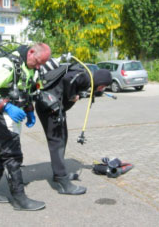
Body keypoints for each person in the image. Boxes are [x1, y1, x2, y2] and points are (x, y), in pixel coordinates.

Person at [0, 43, 51, 211]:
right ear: (31, 52)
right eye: (38, 62)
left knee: (1, 153)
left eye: (42, 64)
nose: (39, 66)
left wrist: (30, 110)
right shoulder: (6, 64)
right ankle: (19, 199)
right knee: (12, 156)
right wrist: (5, 106)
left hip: (11, 118)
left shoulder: (28, 67)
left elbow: (23, 90)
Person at [35, 59, 112, 195]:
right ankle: (62, 181)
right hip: (49, 107)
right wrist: (72, 96)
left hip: (54, 108)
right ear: (100, 82)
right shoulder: (85, 77)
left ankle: (59, 173)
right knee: (57, 142)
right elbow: (67, 78)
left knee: (63, 138)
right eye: (104, 86)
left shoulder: (87, 79)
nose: (103, 89)